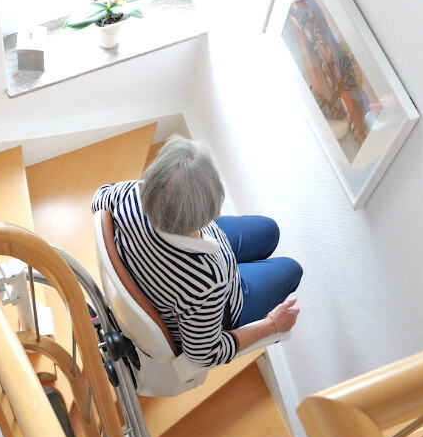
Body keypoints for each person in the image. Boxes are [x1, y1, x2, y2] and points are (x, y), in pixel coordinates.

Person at [92, 136, 302, 368]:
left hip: (181, 261)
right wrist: (270, 325)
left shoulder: (129, 194)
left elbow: (97, 202)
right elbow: (204, 355)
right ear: (203, 213)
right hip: (225, 299)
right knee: (292, 270)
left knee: (269, 230)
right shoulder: (206, 281)